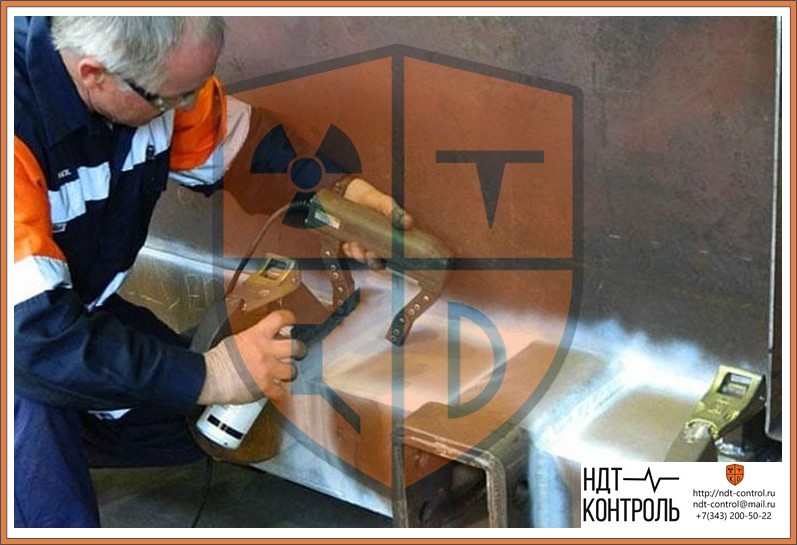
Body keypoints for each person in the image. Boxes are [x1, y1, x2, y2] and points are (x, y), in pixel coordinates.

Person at [13, 16, 410, 528]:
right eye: (174, 97)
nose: (187, 107)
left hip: (64, 312)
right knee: (40, 413)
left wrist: (335, 197)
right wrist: (211, 374)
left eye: (195, 90)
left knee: (188, 422)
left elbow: (243, 149)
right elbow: (32, 339)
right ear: (94, 74)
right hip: (22, 340)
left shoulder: (142, 82)